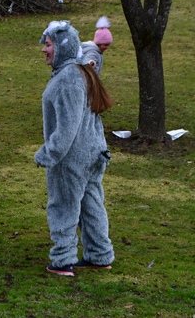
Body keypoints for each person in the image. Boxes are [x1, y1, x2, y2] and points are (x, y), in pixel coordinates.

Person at [35, 21, 115, 277]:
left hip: (73, 157)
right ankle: (100, 255)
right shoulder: (79, 72)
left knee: (63, 206)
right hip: (94, 152)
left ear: (61, 47)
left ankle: (62, 260)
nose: (44, 50)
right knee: (91, 204)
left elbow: (68, 126)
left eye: (48, 45)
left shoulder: (69, 77)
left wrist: (49, 153)